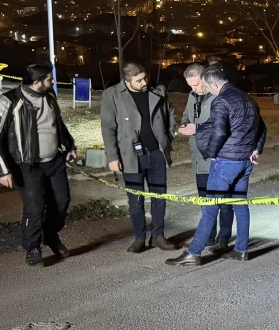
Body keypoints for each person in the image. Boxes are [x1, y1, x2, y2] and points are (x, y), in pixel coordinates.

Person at [0, 61, 78, 266]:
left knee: (62, 202)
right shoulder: (7, 102)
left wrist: (69, 146)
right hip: (26, 165)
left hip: (54, 162)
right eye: (50, 79)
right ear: (36, 82)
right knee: (35, 208)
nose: (54, 81)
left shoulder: (50, 97)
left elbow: (58, 124)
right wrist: (3, 171)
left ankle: (50, 236)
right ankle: (32, 248)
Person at [167, 65, 264, 266]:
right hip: (245, 161)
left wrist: (211, 155)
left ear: (213, 84)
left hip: (226, 161)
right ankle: (241, 250)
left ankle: (193, 253)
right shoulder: (247, 98)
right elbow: (261, 127)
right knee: (240, 206)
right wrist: (257, 149)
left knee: (209, 208)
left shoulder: (221, 100)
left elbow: (220, 132)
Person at [101, 62, 178, 253]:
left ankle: (158, 236)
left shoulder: (158, 91)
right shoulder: (112, 95)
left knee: (159, 196)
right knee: (135, 200)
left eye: (145, 78)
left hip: (156, 153)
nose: (144, 82)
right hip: (130, 155)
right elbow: (108, 127)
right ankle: (139, 238)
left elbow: (170, 113)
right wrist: (113, 156)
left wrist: (167, 138)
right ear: (127, 81)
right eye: (139, 80)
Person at [178, 63, 232, 252]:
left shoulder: (219, 96)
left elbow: (223, 125)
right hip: (199, 158)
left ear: (205, 79)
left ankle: (223, 238)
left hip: (218, 158)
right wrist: (184, 125)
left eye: (195, 84)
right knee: (205, 201)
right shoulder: (192, 96)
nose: (193, 88)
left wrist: (198, 128)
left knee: (223, 202)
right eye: (190, 85)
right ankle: (208, 237)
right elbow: (186, 116)